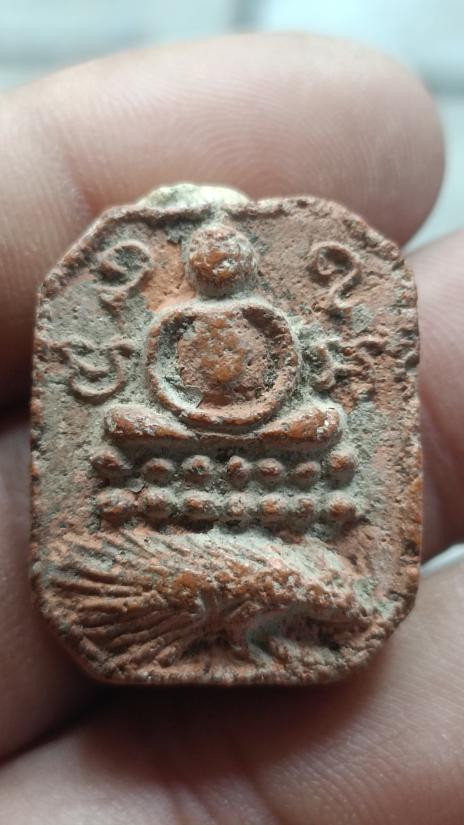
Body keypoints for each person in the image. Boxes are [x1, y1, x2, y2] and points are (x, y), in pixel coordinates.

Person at [0, 31, 462, 825]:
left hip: (268, 429)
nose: (217, 265)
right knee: (128, 423)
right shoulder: (171, 315)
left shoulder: (265, 318)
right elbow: (160, 382)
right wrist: (188, 419)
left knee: (323, 422)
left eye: (228, 257)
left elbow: (284, 382)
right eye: (208, 257)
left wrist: (267, 417)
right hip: (176, 429)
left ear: (245, 264)